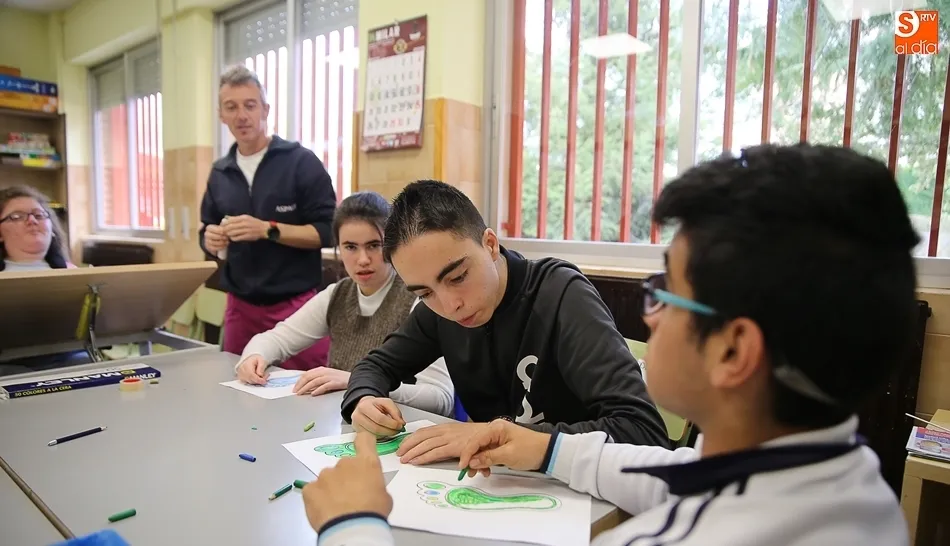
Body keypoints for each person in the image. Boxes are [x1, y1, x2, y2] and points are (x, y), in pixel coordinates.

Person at [302, 143, 916, 545]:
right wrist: (542, 450)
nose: (650, 317)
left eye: (666, 291)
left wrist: (353, 527)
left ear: (733, 351)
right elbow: (678, 470)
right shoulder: (846, 485)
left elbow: (644, 436)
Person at [341, 179, 670, 466]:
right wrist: (363, 400)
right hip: (501, 487)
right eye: (425, 292)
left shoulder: (560, 295)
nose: (450, 305)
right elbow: (376, 366)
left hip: (582, 495)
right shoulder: (437, 310)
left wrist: (494, 436)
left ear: (490, 244)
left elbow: (642, 432)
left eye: (458, 277)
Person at [234, 191, 455, 417]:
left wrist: (360, 382)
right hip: (345, 423)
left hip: (400, 429)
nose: (362, 259)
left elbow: (440, 399)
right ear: (338, 247)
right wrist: (253, 357)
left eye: (374, 245)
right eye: (350, 247)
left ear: (392, 245)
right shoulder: (337, 294)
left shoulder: (419, 298)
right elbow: (275, 339)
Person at [199, 65, 337, 371]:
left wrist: (268, 230)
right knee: (239, 393)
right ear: (221, 114)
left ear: (266, 109)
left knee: (306, 396)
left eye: (250, 105)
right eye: (231, 107)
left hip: (297, 308)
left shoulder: (300, 162)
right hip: (240, 307)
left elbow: (329, 232)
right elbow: (205, 230)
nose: (242, 116)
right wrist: (210, 238)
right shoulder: (220, 172)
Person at [0, 185, 74, 272]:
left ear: (52, 229)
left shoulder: (75, 274)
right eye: (17, 217)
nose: (32, 220)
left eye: (39, 215)